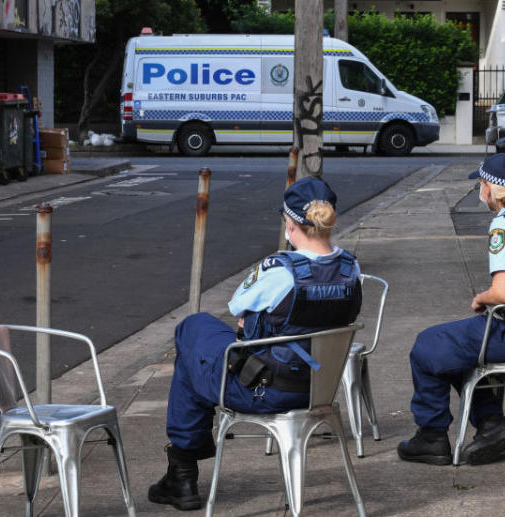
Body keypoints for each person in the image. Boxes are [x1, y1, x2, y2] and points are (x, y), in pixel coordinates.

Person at [148, 177, 363, 510]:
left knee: (190, 335)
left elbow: (237, 307)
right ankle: (182, 469)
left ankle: (183, 469)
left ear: (290, 224)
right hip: (319, 386)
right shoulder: (351, 268)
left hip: (263, 388)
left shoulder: (281, 270)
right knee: (198, 343)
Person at [397, 153, 505, 466]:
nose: (480, 190)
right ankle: (492, 423)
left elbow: (503, 293)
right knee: (452, 348)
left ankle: (432, 437)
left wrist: (481, 298)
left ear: (490, 186)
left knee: (428, 345)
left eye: (481, 184)